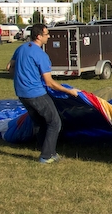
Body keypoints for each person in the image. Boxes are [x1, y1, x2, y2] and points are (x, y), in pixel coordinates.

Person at [12, 24, 70, 164]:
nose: (49, 36)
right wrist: (70, 91)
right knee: (54, 122)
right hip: (35, 93)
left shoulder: (21, 48)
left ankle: (44, 148)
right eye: (46, 34)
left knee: (38, 121)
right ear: (39, 36)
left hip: (21, 93)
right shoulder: (41, 55)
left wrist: (21, 77)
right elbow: (49, 82)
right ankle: (47, 155)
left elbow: (10, 67)